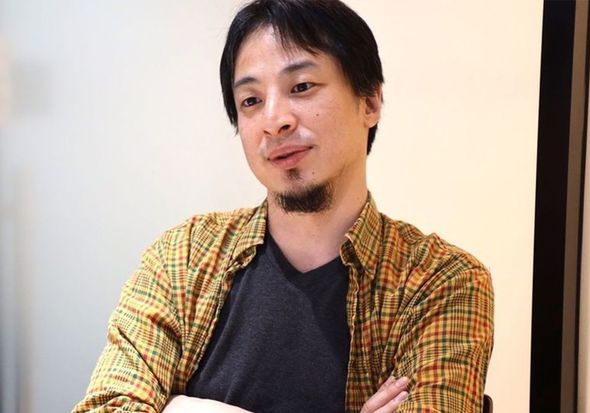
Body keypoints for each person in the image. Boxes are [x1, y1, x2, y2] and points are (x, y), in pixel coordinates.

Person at [73, 0, 494, 412]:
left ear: (369, 101)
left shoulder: (440, 281)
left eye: (301, 87)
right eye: (251, 101)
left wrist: (185, 408)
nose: (275, 121)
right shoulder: (182, 258)